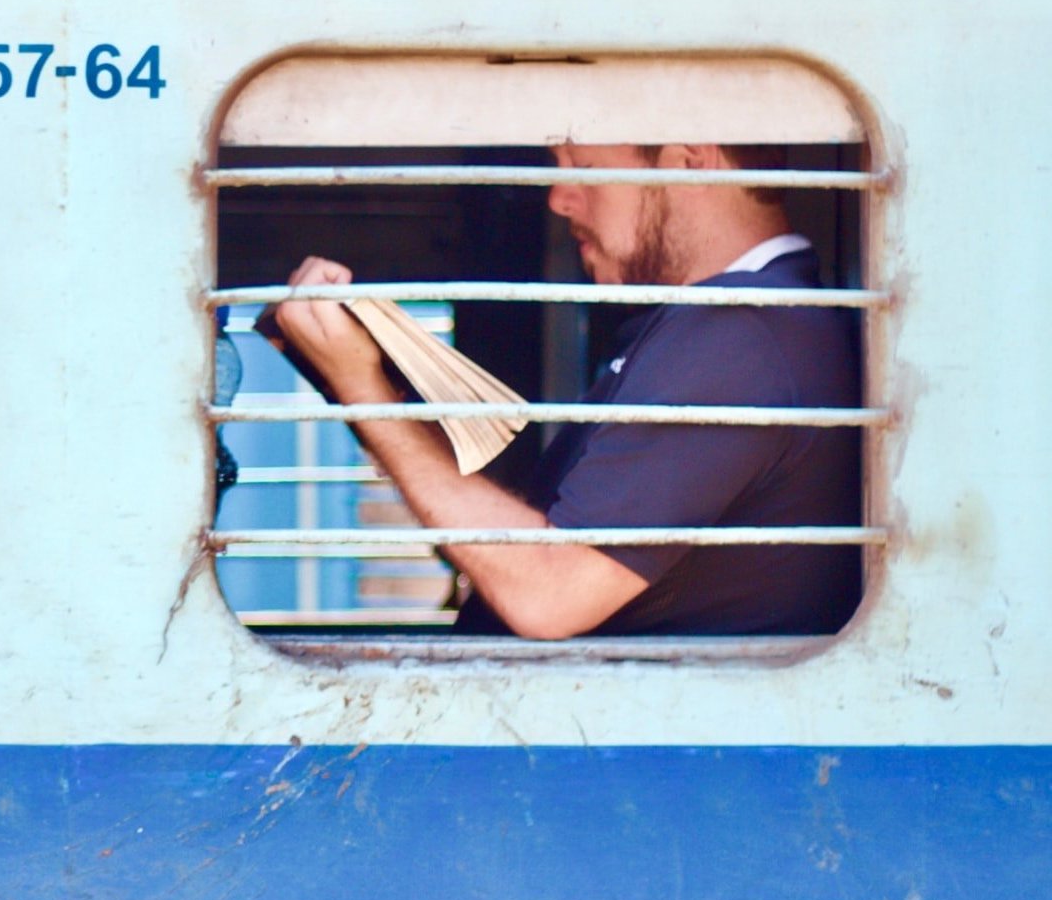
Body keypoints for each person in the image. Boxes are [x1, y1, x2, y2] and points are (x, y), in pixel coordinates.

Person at [270, 142, 861, 638]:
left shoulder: (740, 334)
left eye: (578, 161)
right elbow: (528, 545)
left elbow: (549, 591)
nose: (557, 196)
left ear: (686, 164)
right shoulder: (746, 325)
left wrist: (364, 390)